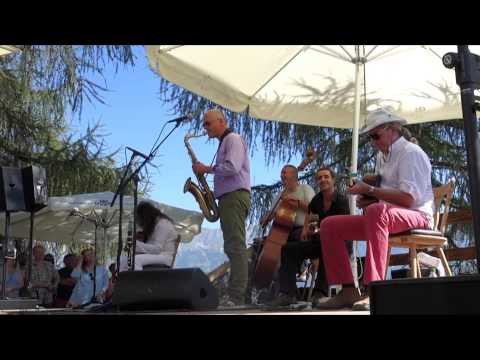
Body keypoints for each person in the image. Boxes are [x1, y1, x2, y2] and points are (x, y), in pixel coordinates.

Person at [316, 108, 434, 311]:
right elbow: (385, 195)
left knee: (376, 212)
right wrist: (369, 198)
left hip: (418, 216)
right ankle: (347, 290)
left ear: (393, 130)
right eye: (370, 137)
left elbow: (407, 199)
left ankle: (374, 289)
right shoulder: (383, 156)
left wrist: (371, 190)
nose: (372, 142)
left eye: (375, 136)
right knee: (329, 225)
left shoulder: (411, 154)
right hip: (385, 217)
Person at [265, 167, 350, 307]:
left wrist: (319, 231)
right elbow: (311, 216)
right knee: (287, 249)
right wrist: (305, 229)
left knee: (326, 248)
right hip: (320, 240)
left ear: (333, 180)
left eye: (326, 177)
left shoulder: (341, 200)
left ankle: (320, 293)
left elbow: (343, 228)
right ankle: (287, 294)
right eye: (319, 178)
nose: (322, 180)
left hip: (339, 244)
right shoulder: (317, 200)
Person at [192, 108, 251, 307]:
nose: (204, 127)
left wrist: (206, 169)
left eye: (208, 123)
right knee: (232, 246)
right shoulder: (225, 142)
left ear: (221, 121)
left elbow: (232, 167)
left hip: (234, 197)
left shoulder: (232, 139)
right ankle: (237, 294)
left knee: (235, 246)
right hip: (229, 198)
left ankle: (237, 296)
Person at [260, 164, 315, 244]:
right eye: (281, 173)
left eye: (284, 172)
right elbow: (272, 213)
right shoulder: (279, 195)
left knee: (294, 240)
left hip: (302, 228)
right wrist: (266, 218)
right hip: (282, 231)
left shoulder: (305, 188)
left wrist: (297, 202)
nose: (281, 175)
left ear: (293, 175)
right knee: (261, 244)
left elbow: (313, 209)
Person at [129, 201, 179, 270]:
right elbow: (151, 248)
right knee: (122, 260)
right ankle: (121, 280)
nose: (140, 222)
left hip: (164, 257)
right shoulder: (153, 225)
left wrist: (136, 244)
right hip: (156, 255)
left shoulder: (163, 224)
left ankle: (139, 280)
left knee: (135, 261)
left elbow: (157, 249)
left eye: (140, 219)